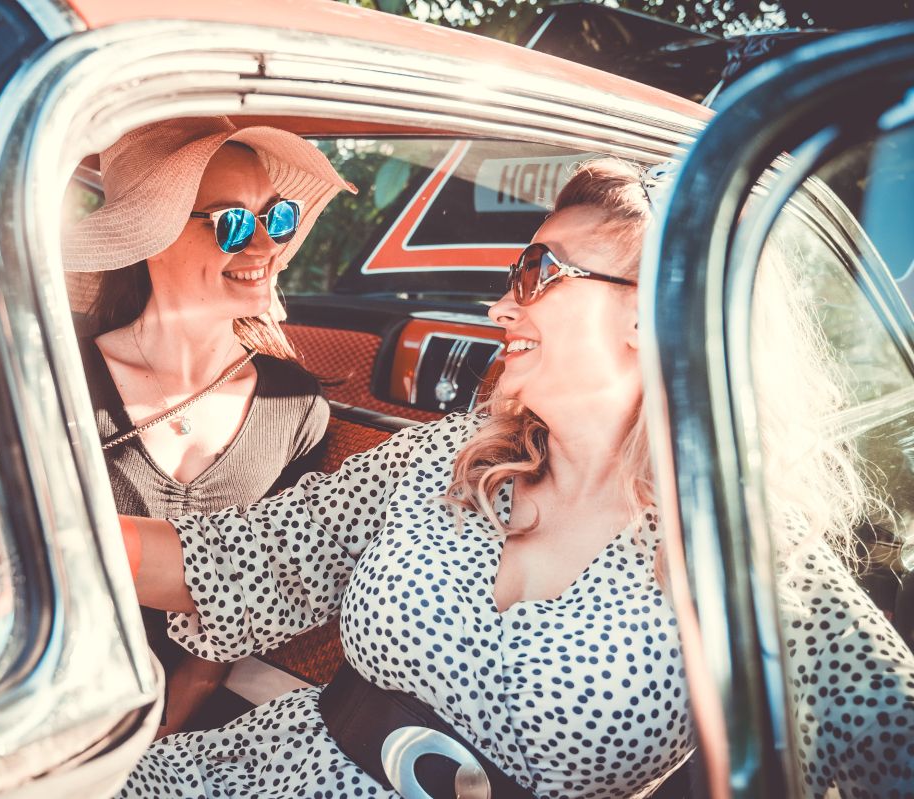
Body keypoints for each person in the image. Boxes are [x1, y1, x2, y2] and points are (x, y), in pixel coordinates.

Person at [115, 158, 914, 798]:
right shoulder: (451, 455)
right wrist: (50, 530)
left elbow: (893, 740)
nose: (500, 307)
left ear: (658, 310)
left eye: (536, 273)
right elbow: (244, 558)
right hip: (255, 776)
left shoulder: (756, 560)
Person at [61, 116, 353, 736]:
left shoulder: (295, 406)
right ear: (152, 236)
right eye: (233, 222)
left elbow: (252, 601)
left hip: (179, 731)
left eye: (276, 217)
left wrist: (165, 730)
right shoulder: (53, 378)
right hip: (44, 697)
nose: (265, 245)